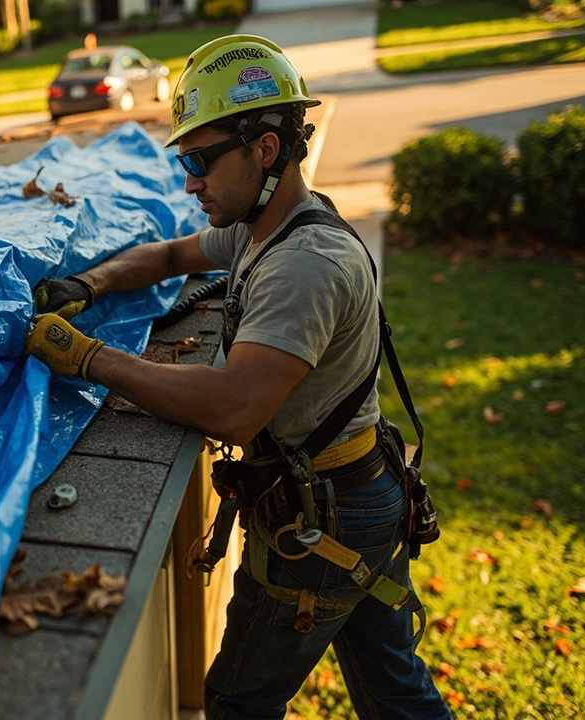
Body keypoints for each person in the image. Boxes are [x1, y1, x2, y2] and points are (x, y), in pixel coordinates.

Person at [24, 35, 451, 719]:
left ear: (266, 149)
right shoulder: (266, 229)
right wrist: (87, 283)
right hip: (362, 492)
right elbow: (169, 254)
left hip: (327, 517)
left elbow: (233, 408)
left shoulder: (300, 264)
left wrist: (86, 358)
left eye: (200, 160)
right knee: (393, 690)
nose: (189, 181)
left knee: (236, 702)